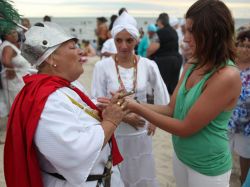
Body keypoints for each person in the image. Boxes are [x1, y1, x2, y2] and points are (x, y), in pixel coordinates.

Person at [123, 0, 242, 186]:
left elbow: (185, 127)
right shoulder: (193, 63)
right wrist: (129, 102)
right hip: (182, 157)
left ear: (215, 33)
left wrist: (137, 108)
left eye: (192, 32)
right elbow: (171, 109)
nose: (185, 38)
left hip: (208, 167)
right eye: (185, 30)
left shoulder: (227, 76)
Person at [4, 22, 127, 187]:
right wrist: (111, 121)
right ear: (51, 58)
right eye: (72, 47)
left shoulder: (64, 86)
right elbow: (75, 152)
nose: (81, 51)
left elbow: (79, 117)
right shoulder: (47, 100)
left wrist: (102, 113)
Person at [91, 12, 169, 187]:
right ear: (113, 39)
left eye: (129, 40)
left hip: (141, 132)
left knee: (142, 173)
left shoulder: (148, 65)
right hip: (115, 132)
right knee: (119, 175)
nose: (124, 46)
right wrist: (126, 117)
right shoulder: (102, 66)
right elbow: (97, 100)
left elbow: (161, 94)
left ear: (136, 40)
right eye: (119, 40)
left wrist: (154, 120)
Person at [228, 28, 250, 185]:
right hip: (225, 120)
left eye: (249, 46)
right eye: (241, 44)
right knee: (222, 157)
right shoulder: (228, 65)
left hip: (247, 123)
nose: (244, 49)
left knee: (246, 158)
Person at [147, 12, 182, 95]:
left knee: (162, 88)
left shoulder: (159, 33)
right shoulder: (174, 31)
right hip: (177, 60)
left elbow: (153, 47)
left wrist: (147, 56)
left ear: (160, 21)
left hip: (164, 62)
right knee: (173, 87)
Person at [0, 28, 33, 112]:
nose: (14, 34)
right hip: (14, 82)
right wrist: (11, 69)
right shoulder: (7, 46)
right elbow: (5, 60)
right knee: (17, 107)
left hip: (19, 82)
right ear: (5, 36)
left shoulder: (11, 45)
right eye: (10, 33)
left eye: (14, 32)